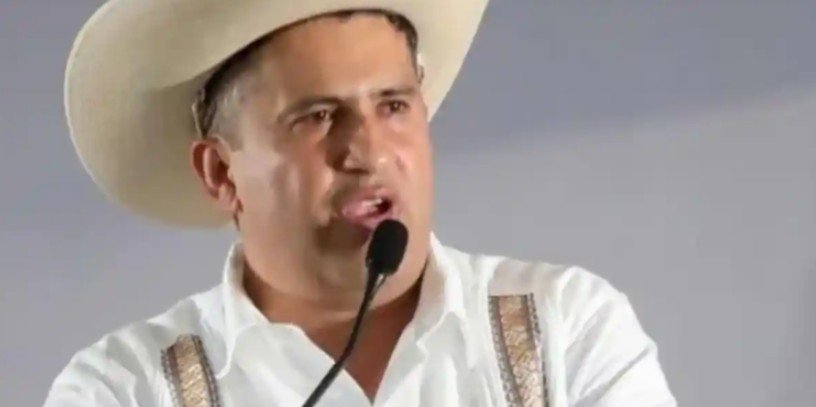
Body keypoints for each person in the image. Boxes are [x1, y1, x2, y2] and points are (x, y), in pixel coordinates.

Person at [46, 1, 676, 405]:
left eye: (393, 106)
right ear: (221, 172)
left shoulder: (566, 329)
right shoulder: (123, 390)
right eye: (318, 117)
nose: (370, 153)